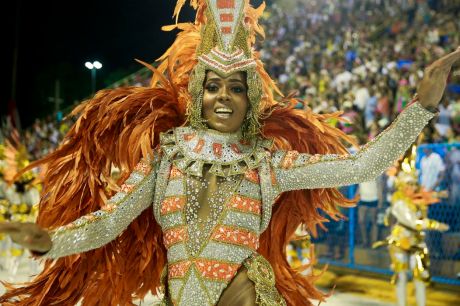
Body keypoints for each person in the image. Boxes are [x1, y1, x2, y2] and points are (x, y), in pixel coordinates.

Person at [0, 1, 459, 305]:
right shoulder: (167, 156)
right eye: (213, 87)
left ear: (250, 96)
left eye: (235, 88)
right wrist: (52, 240)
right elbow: (107, 221)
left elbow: (365, 164)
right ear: (198, 93)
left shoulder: (268, 161)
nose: (224, 97)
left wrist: (421, 107)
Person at [374, 168, 449, 306]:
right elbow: (414, 223)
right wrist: (435, 225)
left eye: (415, 184)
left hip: (416, 242)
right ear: (402, 186)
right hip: (400, 242)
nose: (413, 187)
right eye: (410, 184)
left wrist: (438, 194)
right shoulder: (399, 203)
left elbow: (427, 196)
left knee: (419, 276)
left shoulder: (415, 199)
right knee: (401, 276)